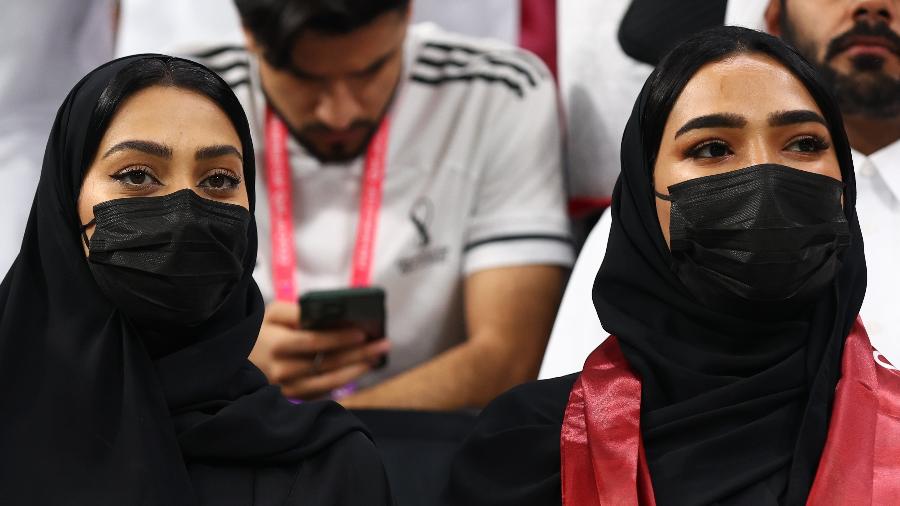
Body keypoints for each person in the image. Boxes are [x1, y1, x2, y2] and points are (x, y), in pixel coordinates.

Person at [445, 26, 900, 505]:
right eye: (712, 148)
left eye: (805, 143)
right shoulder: (528, 452)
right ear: (644, 195)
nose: (765, 175)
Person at [0, 55, 392, 505]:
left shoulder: (327, 464)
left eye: (219, 180)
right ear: (66, 198)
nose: (185, 213)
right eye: (136, 175)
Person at [189, 0, 572, 409]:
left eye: (370, 71)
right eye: (304, 78)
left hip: (423, 442)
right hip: (232, 423)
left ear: (408, 14)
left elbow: (509, 359)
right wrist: (229, 350)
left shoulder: (500, 91)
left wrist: (319, 435)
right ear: (248, 34)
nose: (340, 112)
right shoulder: (183, 100)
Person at [541, 0, 900, 379]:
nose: (872, 6)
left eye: (805, 145)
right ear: (773, 15)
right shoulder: (641, 230)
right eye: (713, 150)